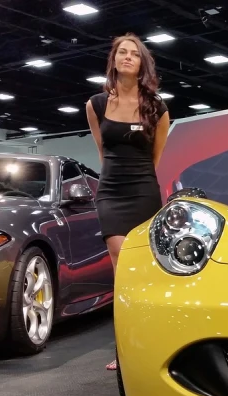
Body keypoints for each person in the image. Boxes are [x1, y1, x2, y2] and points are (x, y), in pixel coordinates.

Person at [85, 33, 170, 370]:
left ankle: (150, 339)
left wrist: (143, 184)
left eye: (134, 54)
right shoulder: (96, 104)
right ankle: (123, 349)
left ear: (141, 63)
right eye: (122, 52)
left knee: (144, 270)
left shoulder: (157, 107)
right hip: (111, 190)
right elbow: (101, 151)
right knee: (120, 263)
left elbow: (156, 157)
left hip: (143, 190)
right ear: (114, 60)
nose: (127, 57)